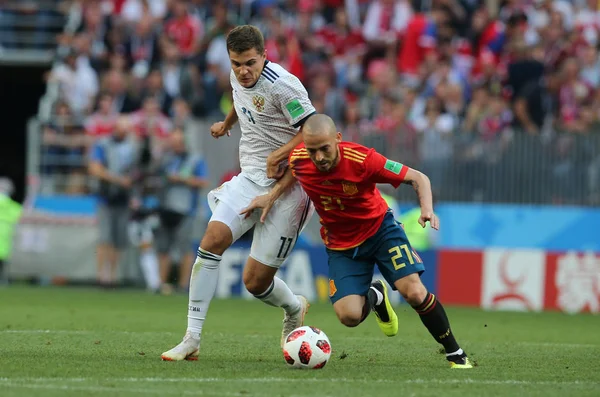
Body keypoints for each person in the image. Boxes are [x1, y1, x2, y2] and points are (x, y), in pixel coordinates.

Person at [242, 114, 473, 369]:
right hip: (341, 245)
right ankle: (375, 296)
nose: (318, 157)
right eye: (312, 150)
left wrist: (426, 209)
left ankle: (456, 354)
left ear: (338, 139)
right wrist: (271, 196)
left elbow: (418, 178)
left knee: (415, 293)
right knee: (349, 316)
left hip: (380, 231)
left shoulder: (363, 160)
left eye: (324, 149)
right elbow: (294, 173)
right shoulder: (299, 158)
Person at [161, 25, 316, 361]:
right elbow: (241, 97)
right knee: (211, 240)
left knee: (255, 283)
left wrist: (279, 155)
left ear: (264, 56)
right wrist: (228, 123)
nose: (243, 71)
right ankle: (192, 338)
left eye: (250, 63)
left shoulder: (285, 86)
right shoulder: (237, 76)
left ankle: (293, 308)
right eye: (236, 64)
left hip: (290, 185)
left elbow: (313, 131)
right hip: (250, 178)